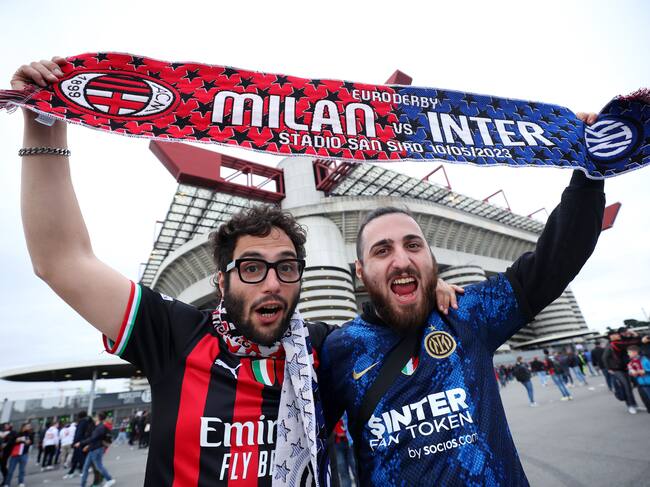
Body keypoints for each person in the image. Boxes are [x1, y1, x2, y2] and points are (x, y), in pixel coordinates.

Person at [11, 57, 463, 486]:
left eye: (287, 268)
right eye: (252, 268)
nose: (272, 283)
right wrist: (45, 123)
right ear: (221, 281)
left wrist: (424, 284)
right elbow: (61, 260)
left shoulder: (323, 348)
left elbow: (402, 332)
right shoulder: (174, 334)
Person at [320, 140, 605, 486]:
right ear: (360, 272)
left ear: (431, 260)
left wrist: (590, 174)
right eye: (382, 250)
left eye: (413, 245)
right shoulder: (338, 348)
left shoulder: (467, 312)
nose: (402, 260)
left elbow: (555, 261)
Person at [75, 412, 115, 487]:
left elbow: (93, 438)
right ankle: (82, 485)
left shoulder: (100, 427)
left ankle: (109, 479)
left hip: (96, 449)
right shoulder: (99, 426)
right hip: (93, 449)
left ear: (98, 418)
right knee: (86, 467)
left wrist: (81, 443)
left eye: (96, 416)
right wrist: (88, 446)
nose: (94, 417)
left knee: (98, 466)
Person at [3, 422, 34, 487]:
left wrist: (29, 442)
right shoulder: (16, 433)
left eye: (29, 426)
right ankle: (7, 483)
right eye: (28, 426)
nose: (29, 427)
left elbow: (31, 442)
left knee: (22, 470)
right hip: (15, 455)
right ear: (23, 427)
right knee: (10, 470)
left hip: (24, 454)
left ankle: (21, 483)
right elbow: (11, 442)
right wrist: (18, 440)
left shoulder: (30, 434)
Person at [626, 345, 650, 413]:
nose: (628, 354)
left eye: (629, 352)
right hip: (642, 383)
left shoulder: (645, 359)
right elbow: (630, 371)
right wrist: (632, 373)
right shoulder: (631, 363)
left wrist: (645, 371)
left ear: (635, 352)